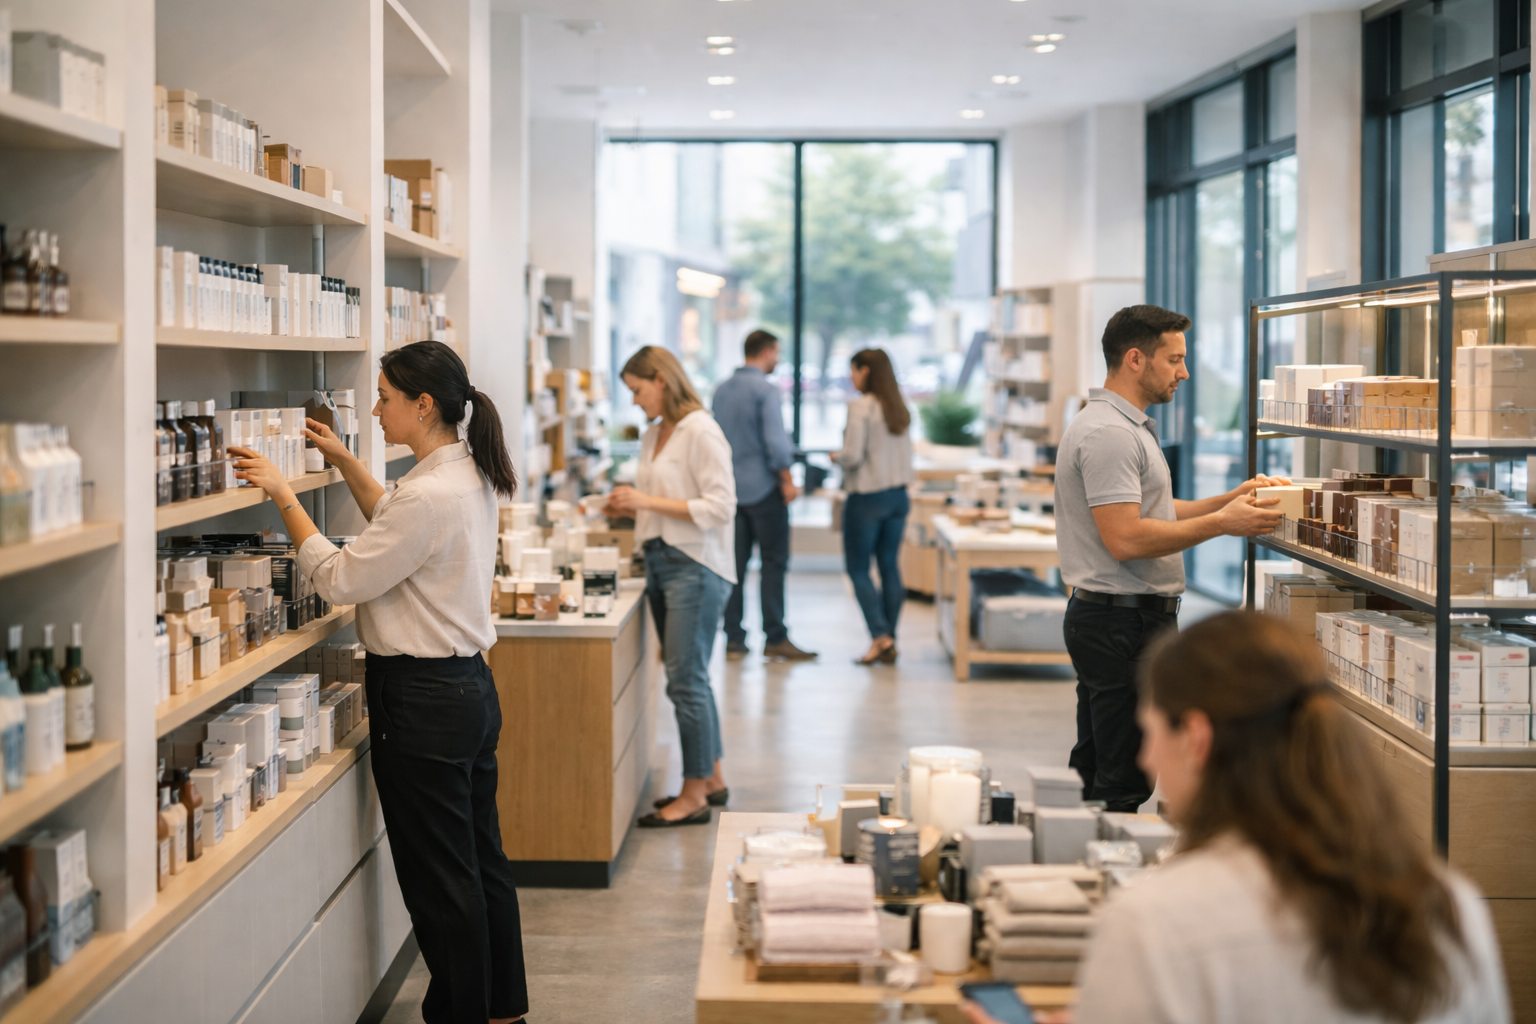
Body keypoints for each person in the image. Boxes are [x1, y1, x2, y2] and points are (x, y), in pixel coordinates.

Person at [964, 612, 1511, 1024]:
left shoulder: (1155, 925)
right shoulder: (1451, 906)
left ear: (1196, 739)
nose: (1145, 758)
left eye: (1150, 732)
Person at [230, 340, 527, 1024]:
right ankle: (503, 1010)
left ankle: (461, 1014)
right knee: (481, 861)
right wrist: (342, 461)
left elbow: (342, 579)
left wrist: (283, 495)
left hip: (421, 705)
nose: (374, 409)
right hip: (468, 692)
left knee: (441, 880)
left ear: (423, 405)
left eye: (385, 398)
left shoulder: (427, 495)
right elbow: (395, 518)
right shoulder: (466, 472)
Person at [1055, 304, 1286, 812]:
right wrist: (1222, 524)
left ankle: (1081, 849)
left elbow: (1153, 511)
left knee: (1099, 766)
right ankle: (1106, 858)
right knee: (1124, 778)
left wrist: (1227, 501)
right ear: (1135, 359)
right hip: (1122, 624)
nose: (1184, 372)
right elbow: (1127, 538)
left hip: (1121, 620)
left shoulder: (1124, 426)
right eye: (1175, 359)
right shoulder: (1111, 435)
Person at [606, 346, 738, 826]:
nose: (635, 401)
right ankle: (713, 778)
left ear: (661, 380)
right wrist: (628, 506)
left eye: (638, 390)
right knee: (691, 677)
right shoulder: (654, 433)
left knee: (685, 681)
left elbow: (721, 507)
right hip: (662, 562)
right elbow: (658, 501)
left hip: (696, 566)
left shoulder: (701, 431)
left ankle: (693, 794)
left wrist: (645, 501)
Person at [712, 329, 817, 662]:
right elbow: (775, 442)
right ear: (767, 351)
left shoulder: (721, 390)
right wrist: (787, 480)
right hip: (764, 491)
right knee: (773, 564)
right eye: (777, 352)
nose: (778, 359)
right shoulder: (765, 390)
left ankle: (734, 639)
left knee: (734, 567)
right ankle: (775, 637)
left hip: (730, 492)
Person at [834, 347, 915, 666]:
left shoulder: (861, 407)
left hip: (867, 497)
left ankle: (880, 636)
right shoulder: (899, 407)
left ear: (865, 371)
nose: (850, 377)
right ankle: (889, 639)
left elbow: (852, 455)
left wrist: (835, 457)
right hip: (898, 497)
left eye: (852, 370)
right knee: (889, 566)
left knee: (857, 569)